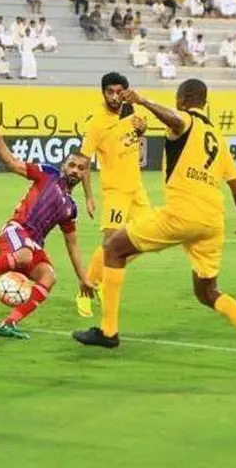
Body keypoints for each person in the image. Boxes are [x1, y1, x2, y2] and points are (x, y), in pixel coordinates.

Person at [71, 80, 236, 377]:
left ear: (183, 100)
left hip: (182, 214)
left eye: (177, 99)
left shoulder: (187, 120)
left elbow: (174, 119)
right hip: (212, 222)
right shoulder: (217, 138)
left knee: (113, 248)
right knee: (207, 291)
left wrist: (141, 100)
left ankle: (108, 331)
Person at [0, 119, 93, 340]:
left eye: (81, 168)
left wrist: (83, 278)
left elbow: (72, 245)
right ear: (63, 166)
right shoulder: (48, 174)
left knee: (48, 277)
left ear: (84, 175)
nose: (75, 171)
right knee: (24, 255)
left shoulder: (71, 208)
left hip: (33, 244)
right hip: (16, 230)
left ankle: (8, 323)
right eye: (72, 165)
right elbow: (12, 163)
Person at [74, 73, 152, 317]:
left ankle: (103, 278)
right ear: (103, 92)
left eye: (119, 91)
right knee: (111, 246)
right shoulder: (97, 123)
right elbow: (83, 161)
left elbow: (136, 137)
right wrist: (88, 196)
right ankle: (85, 290)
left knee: (148, 239)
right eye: (110, 92)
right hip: (115, 191)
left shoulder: (131, 111)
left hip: (136, 189)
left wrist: (142, 130)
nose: (115, 97)